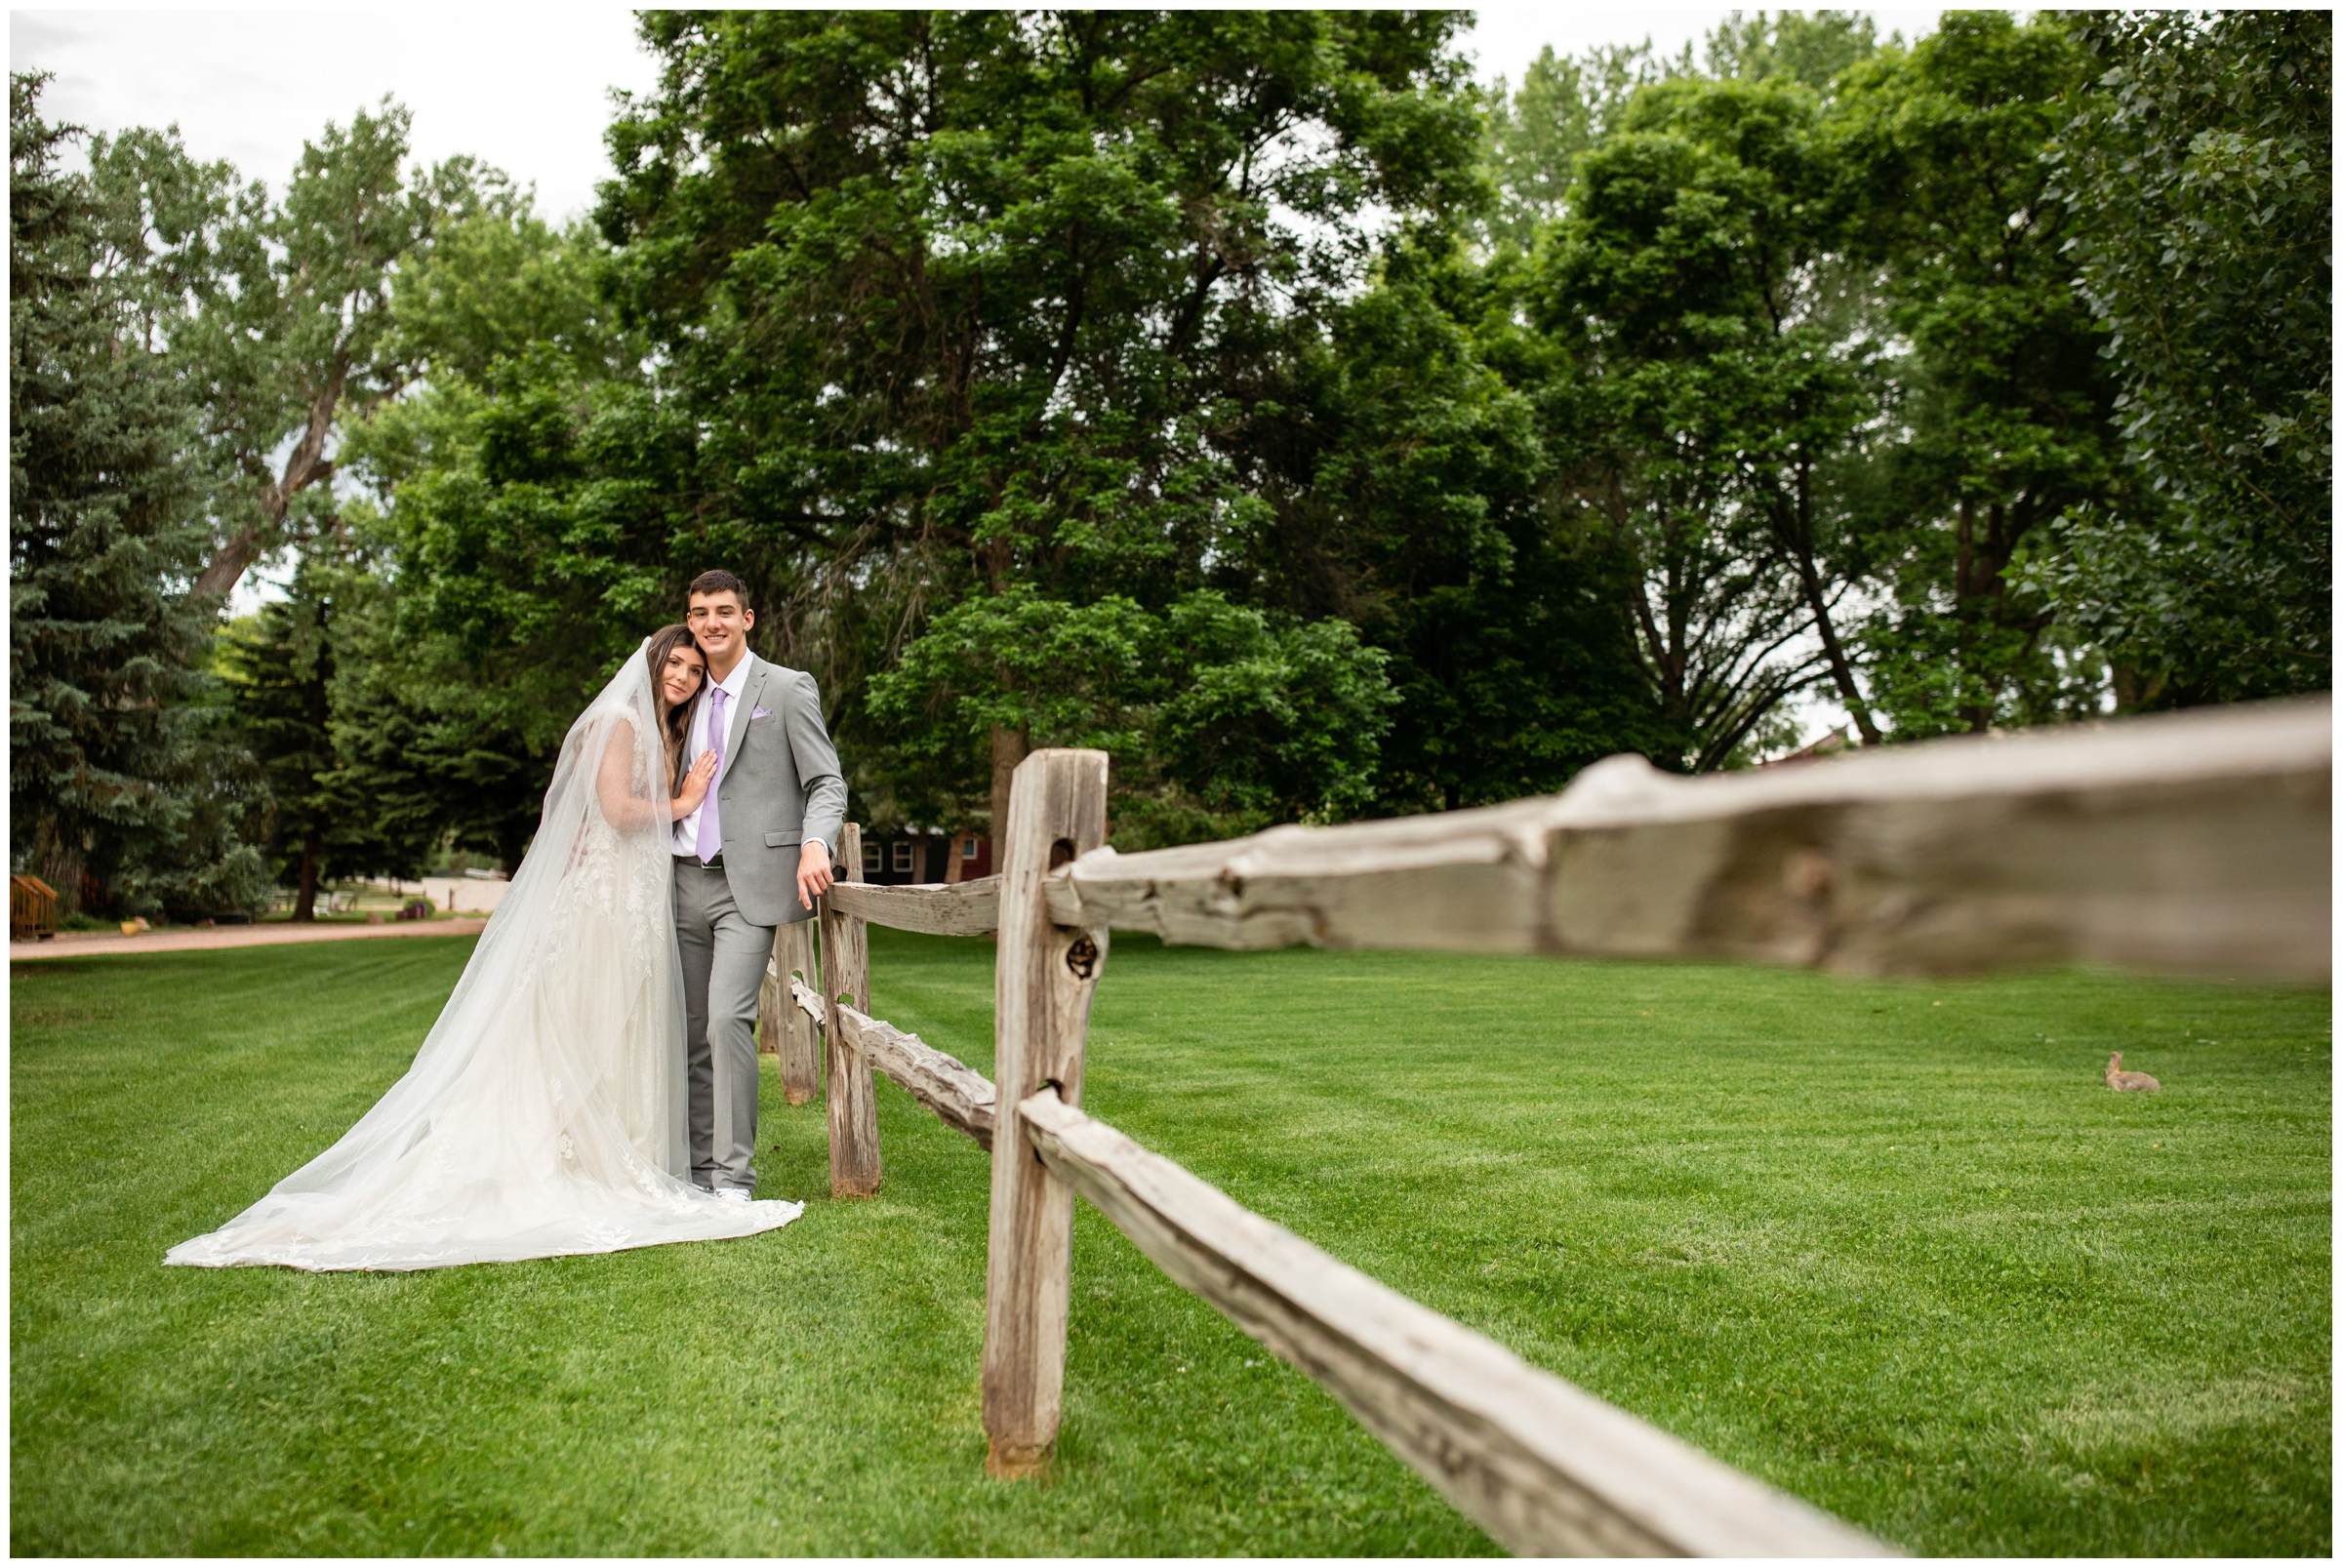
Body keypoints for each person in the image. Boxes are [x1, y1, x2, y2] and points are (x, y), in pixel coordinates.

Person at [166, 623, 805, 1270]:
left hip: (633, 898)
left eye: (695, 671)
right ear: (652, 660)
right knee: (590, 1019)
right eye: (676, 663)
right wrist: (684, 800)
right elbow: (613, 810)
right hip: (603, 902)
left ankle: (614, 1152)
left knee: (616, 1023)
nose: (685, 677)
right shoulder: (619, 718)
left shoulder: (657, 724)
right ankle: (573, 1155)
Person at [667, 569, 845, 1197]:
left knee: (725, 1019)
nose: (709, 622)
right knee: (688, 1032)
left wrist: (814, 842)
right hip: (680, 878)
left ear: (748, 619)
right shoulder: (681, 693)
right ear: (688, 622)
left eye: (722, 611)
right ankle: (695, 1171)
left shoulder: (788, 688)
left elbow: (826, 782)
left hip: (748, 886)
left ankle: (734, 1177)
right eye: (697, 613)